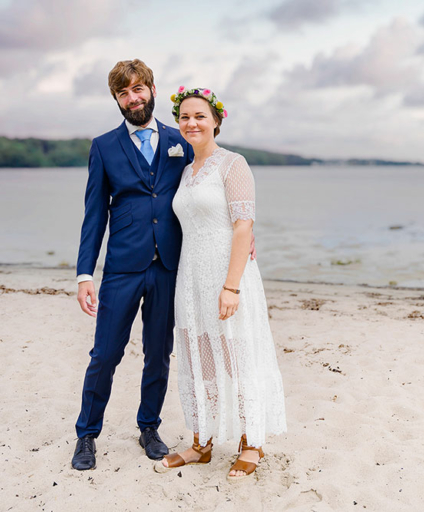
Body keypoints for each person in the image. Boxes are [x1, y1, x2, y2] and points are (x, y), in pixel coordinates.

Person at [154, 87, 286, 482]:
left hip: (228, 275)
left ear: (216, 121)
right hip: (191, 275)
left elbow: (243, 225)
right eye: (185, 117)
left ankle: (251, 443)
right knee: (200, 358)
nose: (191, 123)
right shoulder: (185, 170)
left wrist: (231, 287)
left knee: (236, 356)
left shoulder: (234, 165)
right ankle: (203, 442)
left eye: (199, 116)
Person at [71, 59, 196, 470]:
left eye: (138, 89)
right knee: (105, 353)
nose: (132, 98)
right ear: (117, 100)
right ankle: (87, 435)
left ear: (153, 90)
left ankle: (149, 427)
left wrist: (243, 236)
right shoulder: (104, 147)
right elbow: (94, 214)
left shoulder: (183, 141)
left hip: (168, 265)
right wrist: (85, 272)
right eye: (123, 93)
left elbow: (204, 197)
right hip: (123, 265)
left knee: (159, 354)